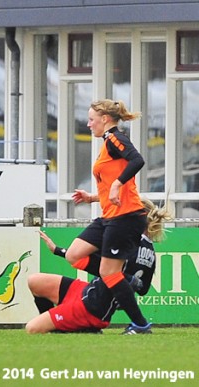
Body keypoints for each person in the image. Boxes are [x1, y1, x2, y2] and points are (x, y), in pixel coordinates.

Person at [62, 99, 154, 334]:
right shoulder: (107, 143)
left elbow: (138, 160)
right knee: (74, 254)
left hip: (126, 216)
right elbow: (114, 182)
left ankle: (140, 324)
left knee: (107, 272)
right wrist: (92, 197)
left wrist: (116, 184)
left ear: (105, 119)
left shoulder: (114, 138)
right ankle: (125, 279)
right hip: (110, 216)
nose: (88, 123)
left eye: (91, 119)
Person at [26, 198, 172, 334]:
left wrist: (125, 283)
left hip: (91, 309)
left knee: (32, 328)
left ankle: (75, 327)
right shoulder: (150, 252)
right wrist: (128, 284)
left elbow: (99, 267)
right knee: (35, 281)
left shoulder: (126, 240)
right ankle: (59, 325)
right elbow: (143, 290)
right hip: (88, 292)